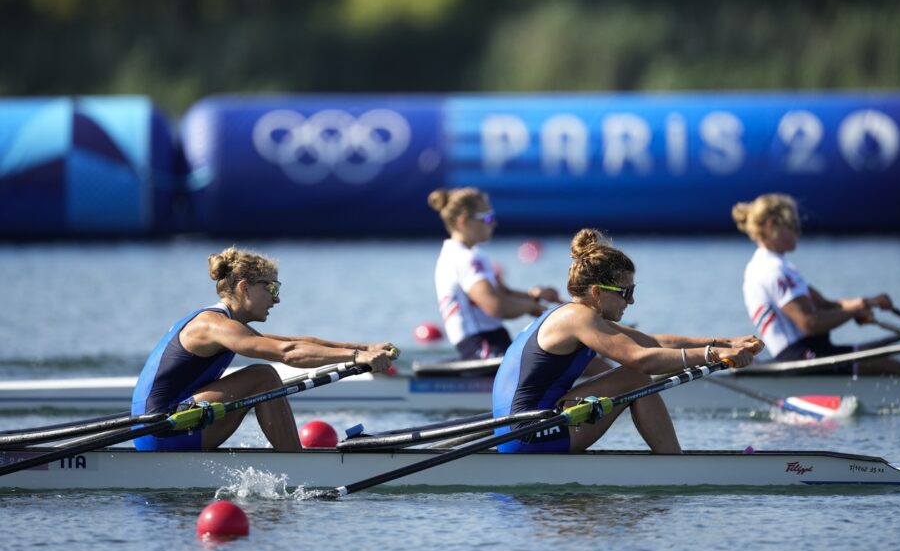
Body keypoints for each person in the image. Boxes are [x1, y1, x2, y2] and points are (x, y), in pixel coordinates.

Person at [492, 229, 762, 455]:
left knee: (636, 373)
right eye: (626, 292)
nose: (631, 301)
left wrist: (725, 342)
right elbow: (640, 358)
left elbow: (654, 341)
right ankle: (676, 467)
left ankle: (674, 462)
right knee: (636, 377)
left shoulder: (574, 315)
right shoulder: (578, 318)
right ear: (597, 292)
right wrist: (711, 354)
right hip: (527, 433)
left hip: (523, 428)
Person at [131, 247, 397, 452]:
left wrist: (364, 348)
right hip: (161, 431)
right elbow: (288, 352)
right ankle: (295, 464)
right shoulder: (213, 325)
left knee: (263, 375)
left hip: (170, 424)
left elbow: (295, 341)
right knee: (263, 377)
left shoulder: (226, 325)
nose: (277, 298)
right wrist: (357, 358)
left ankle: (290, 455)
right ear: (244, 288)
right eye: (271, 287)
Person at [732, 193, 900, 375]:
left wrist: (869, 302)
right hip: (801, 357)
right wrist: (854, 311)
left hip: (812, 351)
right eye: (793, 225)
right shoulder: (772, 270)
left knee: (885, 356)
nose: (798, 231)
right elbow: (810, 323)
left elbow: (826, 305)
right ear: (772, 225)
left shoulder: (773, 266)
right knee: (896, 368)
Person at [428, 187, 562, 360]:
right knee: (572, 355)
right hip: (484, 346)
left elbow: (504, 294)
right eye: (487, 217)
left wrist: (535, 297)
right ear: (464, 221)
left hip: (482, 344)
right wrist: (533, 307)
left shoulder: (453, 255)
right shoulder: (468, 259)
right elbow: (496, 305)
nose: (493, 223)